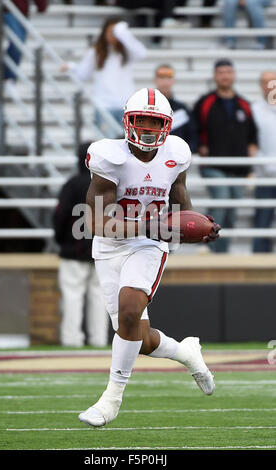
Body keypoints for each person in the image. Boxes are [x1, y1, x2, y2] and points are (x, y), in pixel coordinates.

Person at [78, 87, 220, 427]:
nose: (147, 128)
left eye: (155, 122)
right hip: (111, 244)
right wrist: (149, 223)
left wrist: (196, 225)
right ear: (128, 121)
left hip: (151, 244)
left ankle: (110, 400)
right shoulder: (108, 156)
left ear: (166, 126)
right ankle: (186, 352)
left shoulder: (177, 153)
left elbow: (180, 195)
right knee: (136, 336)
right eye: (141, 120)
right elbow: (96, 221)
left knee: (129, 311)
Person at [193, 59, 258, 253]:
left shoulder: (244, 104)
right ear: (215, 76)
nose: (225, 76)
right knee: (221, 200)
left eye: (228, 72)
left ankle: (221, 250)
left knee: (231, 212)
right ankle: (209, 244)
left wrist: (252, 150)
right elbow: (194, 131)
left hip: (238, 169)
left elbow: (252, 135)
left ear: (234, 75)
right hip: (214, 165)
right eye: (221, 72)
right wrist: (201, 147)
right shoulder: (205, 103)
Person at [53, 142, 108, 347]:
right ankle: (98, 340)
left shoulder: (72, 184)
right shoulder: (108, 183)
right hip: (102, 250)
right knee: (100, 298)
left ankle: (71, 340)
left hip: (73, 250)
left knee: (72, 296)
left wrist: (61, 241)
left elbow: (60, 216)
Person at [60, 17, 146, 137]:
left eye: (116, 32)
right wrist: (71, 67)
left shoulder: (127, 51)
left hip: (125, 106)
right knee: (108, 145)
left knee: (128, 145)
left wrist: (123, 34)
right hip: (104, 105)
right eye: (111, 32)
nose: (114, 35)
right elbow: (83, 74)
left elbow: (142, 53)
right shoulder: (95, 52)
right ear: (104, 32)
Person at [0, 0, 48, 100]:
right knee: (17, 42)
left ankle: (7, 77)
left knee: (19, 46)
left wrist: (41, 5)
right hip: (6, 9)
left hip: (22, 12)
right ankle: (8, 79)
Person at [252, 71, 276, 252]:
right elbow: (250, 142)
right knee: (262, 219)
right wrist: (264, 165)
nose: (271, 86)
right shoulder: (254, 110)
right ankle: (259, 258)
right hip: (264, 175)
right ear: (261, 85)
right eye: (266, 82)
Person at [154, 64, 197, 152]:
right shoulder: (146, 108)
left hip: (176, 159)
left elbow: (193, 137)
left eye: (168, 77)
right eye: (161, 77)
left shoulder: (182, 109)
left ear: (173, 81)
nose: (165, 81)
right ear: (155, 80)